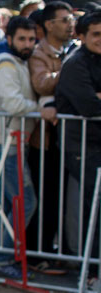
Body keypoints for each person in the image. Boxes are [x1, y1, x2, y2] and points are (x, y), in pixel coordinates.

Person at [0, 16, 46, 278]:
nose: (28, 44)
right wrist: (42, 109)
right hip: (5, 143)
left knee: (10, 204)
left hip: (13, 141)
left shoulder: (19, 62)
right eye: (22, 39)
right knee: (24, 203)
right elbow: (14, 105)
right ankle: (0, 257)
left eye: (31, 39)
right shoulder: (5, 63)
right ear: (9, 39)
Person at [28, 1, 75, 257]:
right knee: (46, 198)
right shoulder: (39, 53)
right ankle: (41, 252)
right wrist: (70, 70)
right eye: (64, 20)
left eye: (71, 19)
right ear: (49, 25)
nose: (70, 25)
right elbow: (41, 84)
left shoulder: (74, 50)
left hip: (69, 138)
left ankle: (65, 249)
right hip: (45, 140)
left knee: (67, 200)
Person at [56, 11, 101, 266]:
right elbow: (90, 106)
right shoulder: (75, 64)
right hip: (80, 145)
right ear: (81, 36)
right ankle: (92, 268)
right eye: (96, 34)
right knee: (95, 203)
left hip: (96, 142)